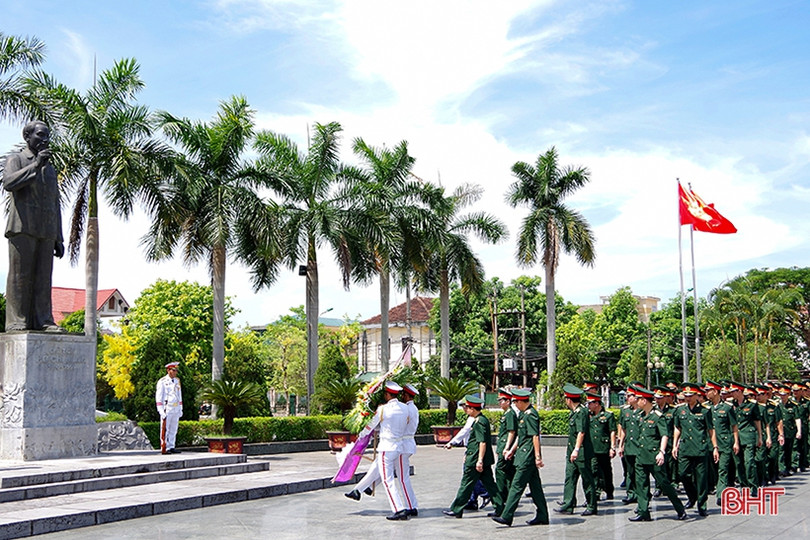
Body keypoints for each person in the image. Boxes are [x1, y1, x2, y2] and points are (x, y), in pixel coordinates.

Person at [2, 120, 64, 331]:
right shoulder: (17, 159)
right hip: (22, 226)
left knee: (43, 278)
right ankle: (17, 320)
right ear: (27, 137)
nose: (45, 140)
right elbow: (9, 183)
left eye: (47, 136)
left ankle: (44, 320)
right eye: (40, 135)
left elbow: (55, 202)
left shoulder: (50, 169)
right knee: (20, 276)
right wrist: (35, 165)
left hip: (46, 230)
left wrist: (58, 237)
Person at [491, 388, 549, 527]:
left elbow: (535, 437)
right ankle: (542, 515)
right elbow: (521, 436)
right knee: (535, 488)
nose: (515, 404)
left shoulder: (531, 415)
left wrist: (538, 457)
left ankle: (507, 516)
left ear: (522, 401)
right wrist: (511, 450)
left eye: (516, 401)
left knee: (516, 486)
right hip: (523, 454)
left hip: (527, 456)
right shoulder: (523, 414)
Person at [354, 380, 410, 520]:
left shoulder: (383, 409)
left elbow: (371, 426)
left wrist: (360, 435)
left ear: (387, 394)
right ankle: (358, 490)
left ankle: (399, 509)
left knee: (387, 480)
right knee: (377, 469)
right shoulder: (405, 408)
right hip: (399, 446)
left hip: (386, 447)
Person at [630, 385, 686, 522]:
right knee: (641, 485)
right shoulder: (641, 416)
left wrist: (661, 452)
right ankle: (643, 512)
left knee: (664, 484)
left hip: (654, 456)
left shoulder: (657, 416)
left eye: (638, 399)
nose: (636, 401)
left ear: (644, 400)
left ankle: (680, 509)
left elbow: (664, 435)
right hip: (641, 456)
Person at [443, 396, 503, 518]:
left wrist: (479, 460)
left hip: (476, 458)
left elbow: (482, 442)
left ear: (473, 409)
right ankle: (500, 507)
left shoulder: (479, 422)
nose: (466, 410)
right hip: (481, 458)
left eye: (468, 407)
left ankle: (456, 509)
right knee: (490, 485)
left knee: (466, 484)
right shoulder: (481, 419)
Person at [672, 382, 718, 517]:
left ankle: (702, 504)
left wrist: (715, 447)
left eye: (690, 395)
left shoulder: (705, 410)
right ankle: (692, 496)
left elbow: (711, 430)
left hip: (700, 448)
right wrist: (675, 445)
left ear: (697, 395)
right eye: (686, 395)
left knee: (701, 478)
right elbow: (677, 428)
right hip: (685, 448)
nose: (688, 398)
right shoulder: (680, 410)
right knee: (683, 474)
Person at [555, 384, 597, 516]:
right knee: (570, 477)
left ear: (569, 399)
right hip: (572, 451)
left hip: (582, 452)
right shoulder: (574, 412)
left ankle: (591, 505)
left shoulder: (581, 412)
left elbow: (581, 432)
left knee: (587, 479)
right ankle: (568, 504)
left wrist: (576, 450)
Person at [705, 380, 739, 505]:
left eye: (708, 391)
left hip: (724, 443)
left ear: (715, 392)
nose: (706, 393)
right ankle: (718, 487)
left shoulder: (727, 408)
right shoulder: (705, 408)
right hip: (709, 444)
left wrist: (736, 442)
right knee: (713, 470)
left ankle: (721, 494)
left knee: (722, 469)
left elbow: (734, 426)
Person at [587, 391, 616, 500]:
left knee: (606, 470)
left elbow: (612, 431)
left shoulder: (608, 415)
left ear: (596, 403)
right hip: (592, 447)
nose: (588, 405)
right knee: (594, 470)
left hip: (603, 447)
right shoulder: (588, 415)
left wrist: (613, 447)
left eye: (590, 403)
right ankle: (596, 492)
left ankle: (609, 490)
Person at [494, 388, 518, 509]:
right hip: (503, 446)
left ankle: (502, 497)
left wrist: (507, 448)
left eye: (501, 400)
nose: (500, 403)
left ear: (508, 401)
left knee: (500, 471)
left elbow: (511, 431)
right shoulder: (507, 413)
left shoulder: (510, 414)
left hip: (506, 447)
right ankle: (507, 498)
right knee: (508, 473)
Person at [618, 386, 640, 504]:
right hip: (629, 446)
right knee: (629, 472)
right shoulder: (625, 411)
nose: (627, 398)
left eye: (630, 396)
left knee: (640, 473)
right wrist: (621, 445)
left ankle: (642, 494)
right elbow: (623, 429)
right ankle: (631, 493)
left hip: (640, 447)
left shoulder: (643, 411)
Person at [399, 383, 419, 516]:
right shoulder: (413, 408)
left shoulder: (406, 409)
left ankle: (411, 506)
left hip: (404, 444)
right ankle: (365, 487)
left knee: (403, 478)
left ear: (406, 395)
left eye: (403, 395)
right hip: (408, 443)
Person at [155, 362, 184, 454]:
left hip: (175, 407)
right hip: (167, 407)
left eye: (176, 370)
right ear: (168, 370)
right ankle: (165, 447)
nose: (175, 372)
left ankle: (171, 446)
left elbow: (179, 395)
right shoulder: (162, 381)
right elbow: (159, 396)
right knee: (165, 429)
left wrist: (180, 408)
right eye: (173, 370)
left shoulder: (177, 381)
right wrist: (160, 410)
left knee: (173, 429)